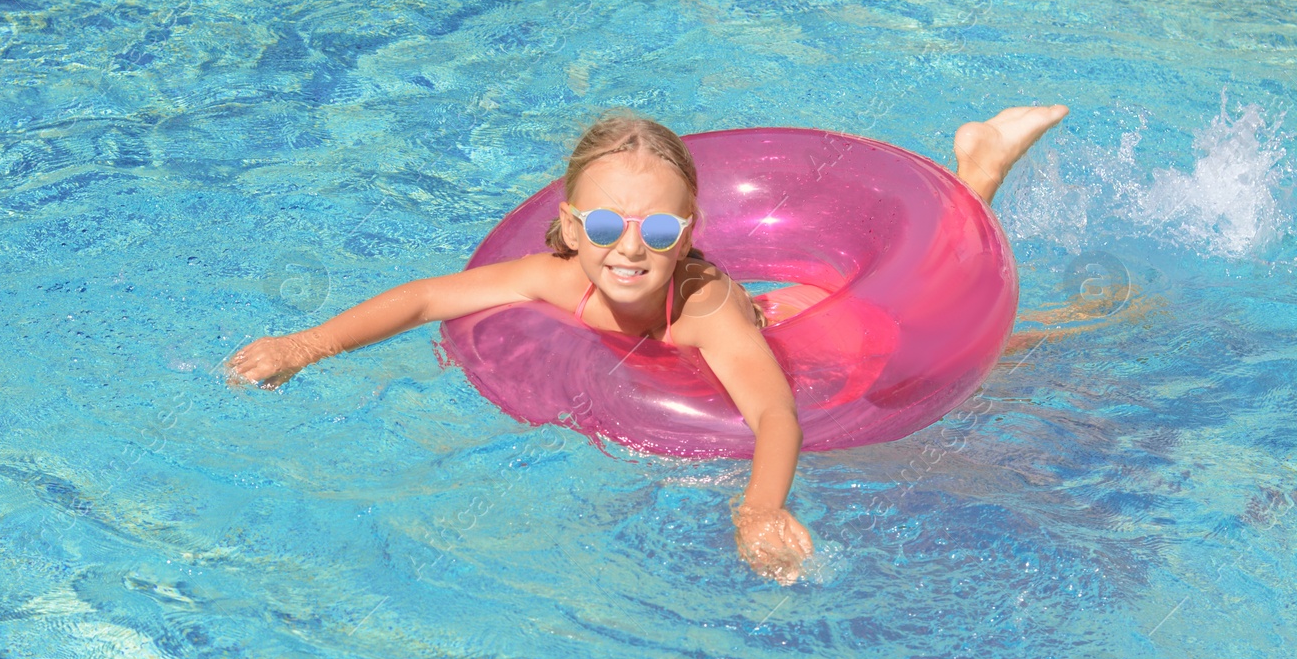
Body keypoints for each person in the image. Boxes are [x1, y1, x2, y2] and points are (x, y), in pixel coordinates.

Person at [227, 105, 1068, 582]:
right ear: (567, 227)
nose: (628, 249)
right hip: (774, 329)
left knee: (1012, 359)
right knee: (1013, 358)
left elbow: (776, 411)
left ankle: (980, 176)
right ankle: (978, 167)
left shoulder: (703, 308)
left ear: (691, 232)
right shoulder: (557, 276)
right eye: (603, 225)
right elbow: (422, 299)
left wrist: (760, 506)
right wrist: (309, 345)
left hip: (818, 338)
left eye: (657, 229)